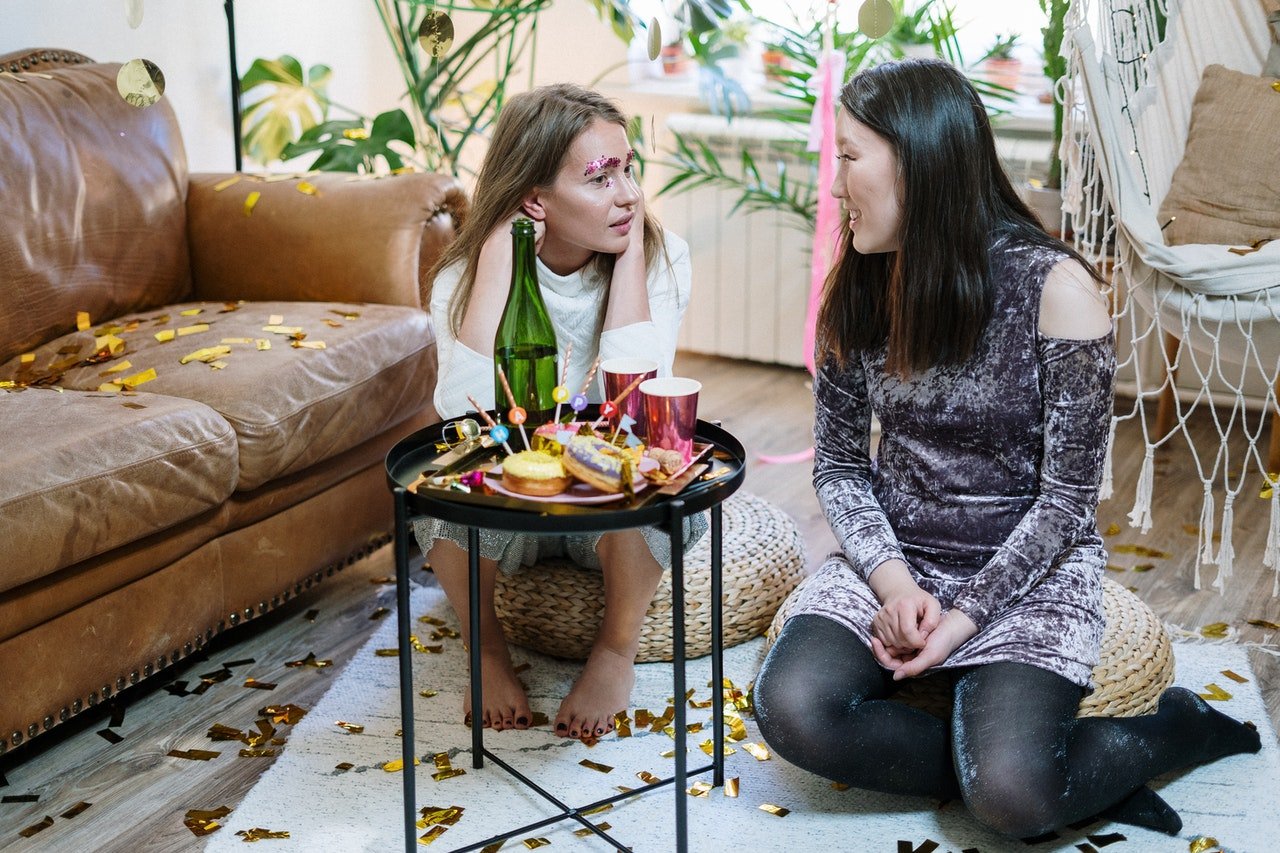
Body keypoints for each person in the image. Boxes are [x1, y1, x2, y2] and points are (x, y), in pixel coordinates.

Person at [752, 59, 1260, 839]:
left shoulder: (1057, 290)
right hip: (900, 553)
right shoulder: (858, 286)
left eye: (850, 157)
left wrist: (958, 622)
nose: (836, 182)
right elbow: (843, 466)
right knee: (792, 711)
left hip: (1028, 570)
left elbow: (1066, 503)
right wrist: (892, 584)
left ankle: (1174, 729)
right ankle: (1059, 773)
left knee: (1013, 801)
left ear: (917, 160)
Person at [415, 83, 702, 741]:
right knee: (437, 488)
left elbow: (637, 416)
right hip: (512, 500)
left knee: (666, 479)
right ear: (534, 199)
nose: (628, 193)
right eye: (600, 178)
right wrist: (497, 267)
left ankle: (614, 650)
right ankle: (486, 650)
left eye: (628, 169)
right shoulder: (466, 278)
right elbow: (467, 421)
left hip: (609, 509)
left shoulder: (663, 258)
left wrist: (629, 264)